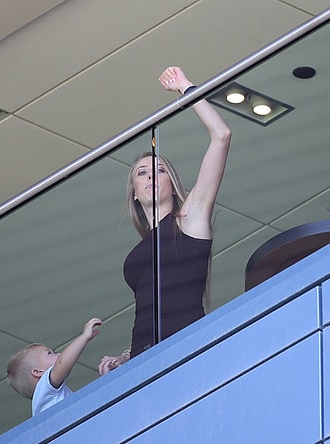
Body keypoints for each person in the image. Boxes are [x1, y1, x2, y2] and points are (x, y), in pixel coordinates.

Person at [98, 66, 232, 375]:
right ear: (134, 193)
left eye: (159, 170)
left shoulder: (189, 218)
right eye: (141, 174)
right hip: (145, 358)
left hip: (186, 345)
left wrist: (186, 88)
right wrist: (125, 358)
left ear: (172, 182)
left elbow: (221, 136)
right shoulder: (144, 247)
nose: (150, 177)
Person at [6, 318, 102, 416]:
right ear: (38, 372)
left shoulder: (44, 401)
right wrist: (85, 337)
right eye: (50, 353)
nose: (60, 354)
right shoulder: (44, 387)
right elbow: (62, 363)